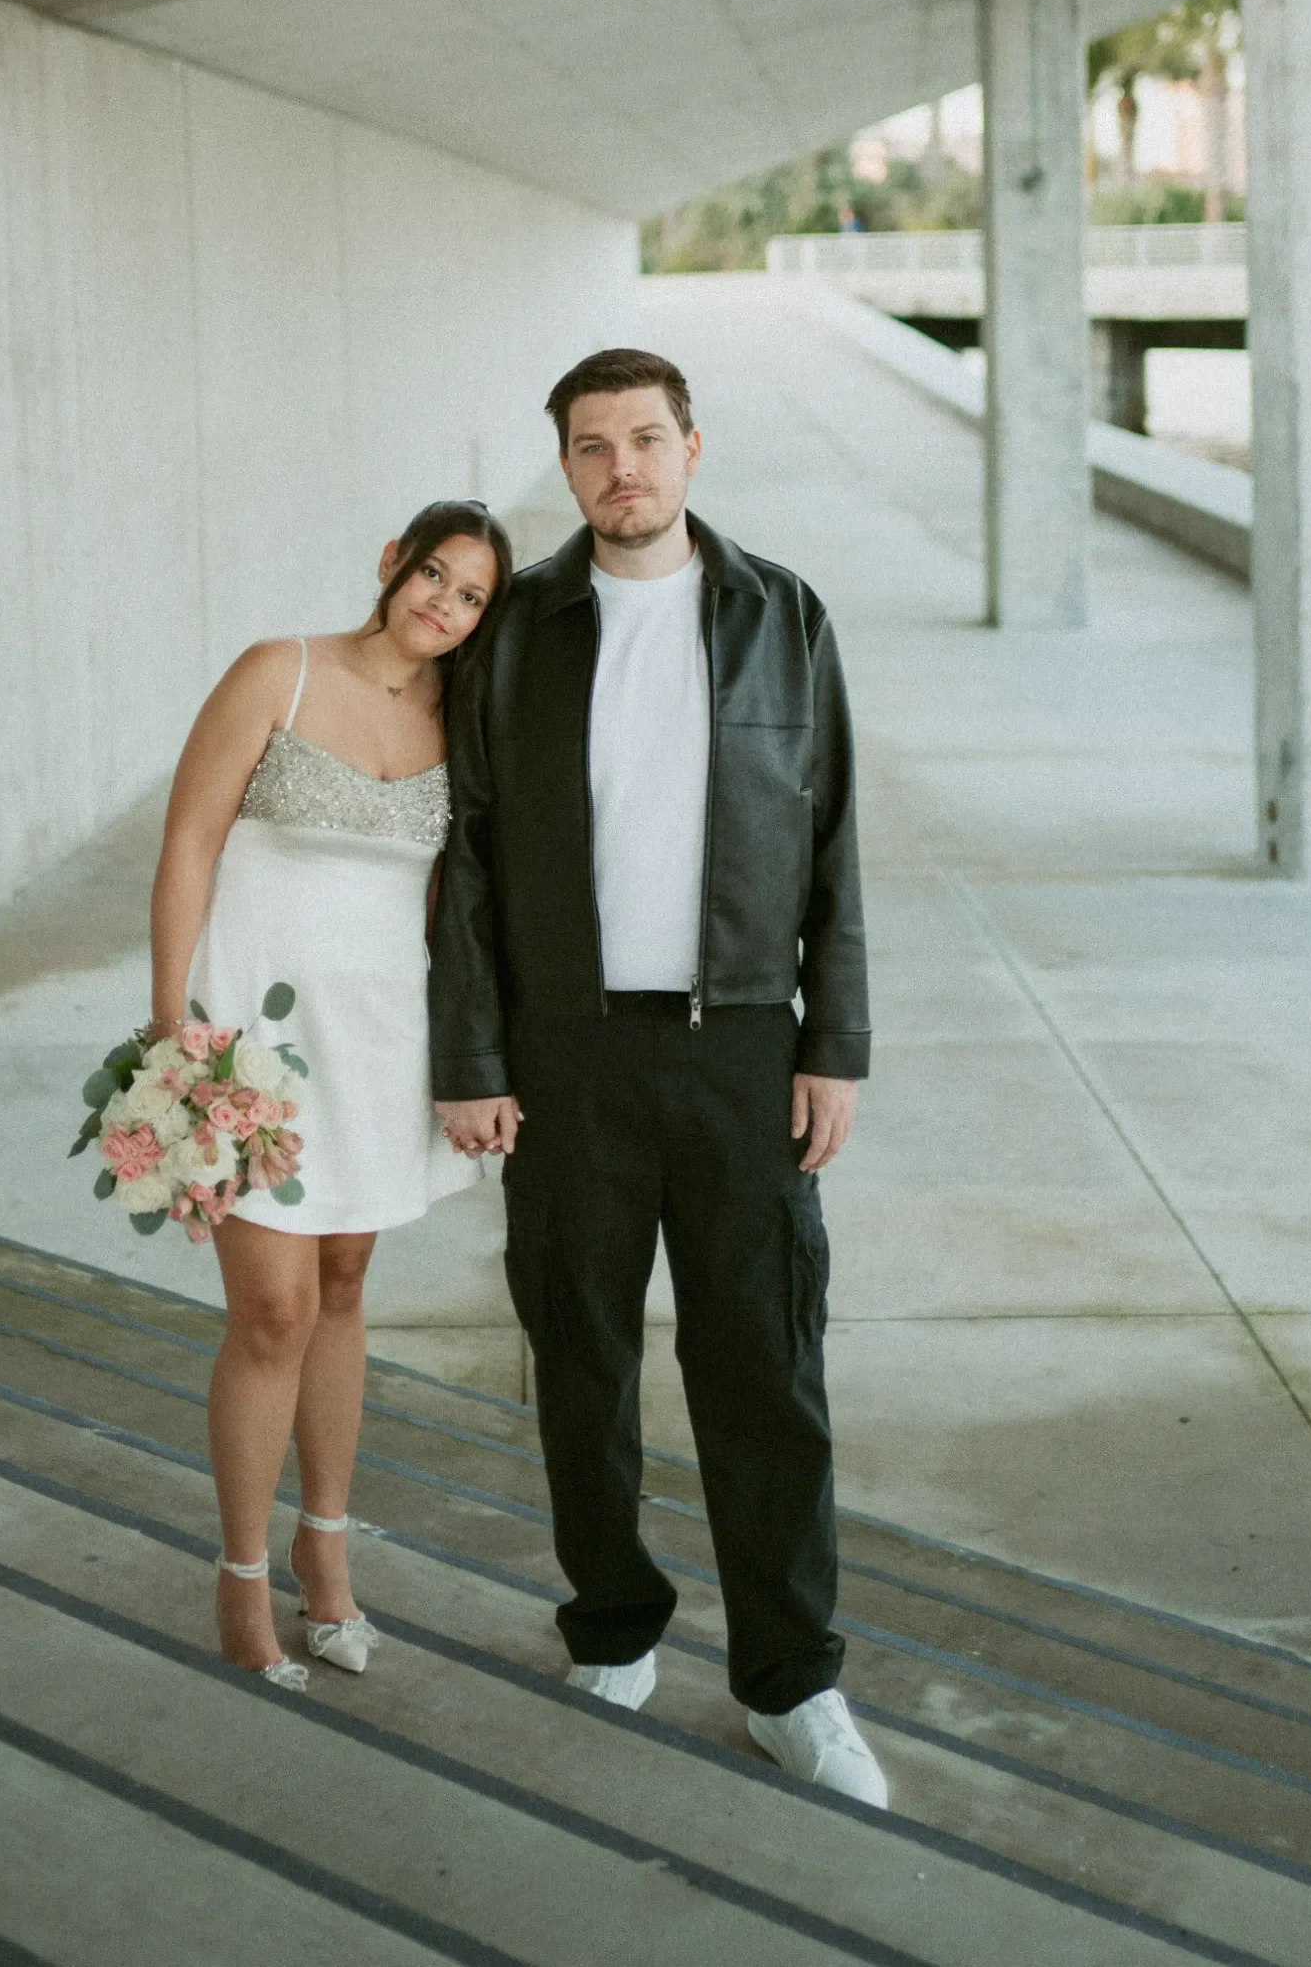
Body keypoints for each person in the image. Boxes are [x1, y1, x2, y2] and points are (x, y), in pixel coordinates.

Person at [429, 349, 886, 1805]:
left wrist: (837, 1040)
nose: (621, 466)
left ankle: (791, 1680)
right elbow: (474, 868)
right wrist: (476, 1058)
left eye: (644, 438)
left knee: (764, 1366)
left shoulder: (782, 614)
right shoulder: (518, 632)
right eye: (590, 444)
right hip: (567, 1051)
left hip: (742, 1043)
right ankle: (613, 1621)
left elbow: (836, 845)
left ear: (693, 447)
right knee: (580, 1354)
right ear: (564, 468)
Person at [148, 500, 512, 1688]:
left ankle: (329, 1560)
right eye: (433, 577)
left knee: (345, 1286)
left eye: (469, 599)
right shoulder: (279, 671)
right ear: (390, 564)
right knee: (269, 1314)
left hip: (381, 1045)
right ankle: (241, 1577)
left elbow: (455, 907)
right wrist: (176, 1038)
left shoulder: (465, 720)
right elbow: (189, 842)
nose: (442, 607)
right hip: (253, 1036)